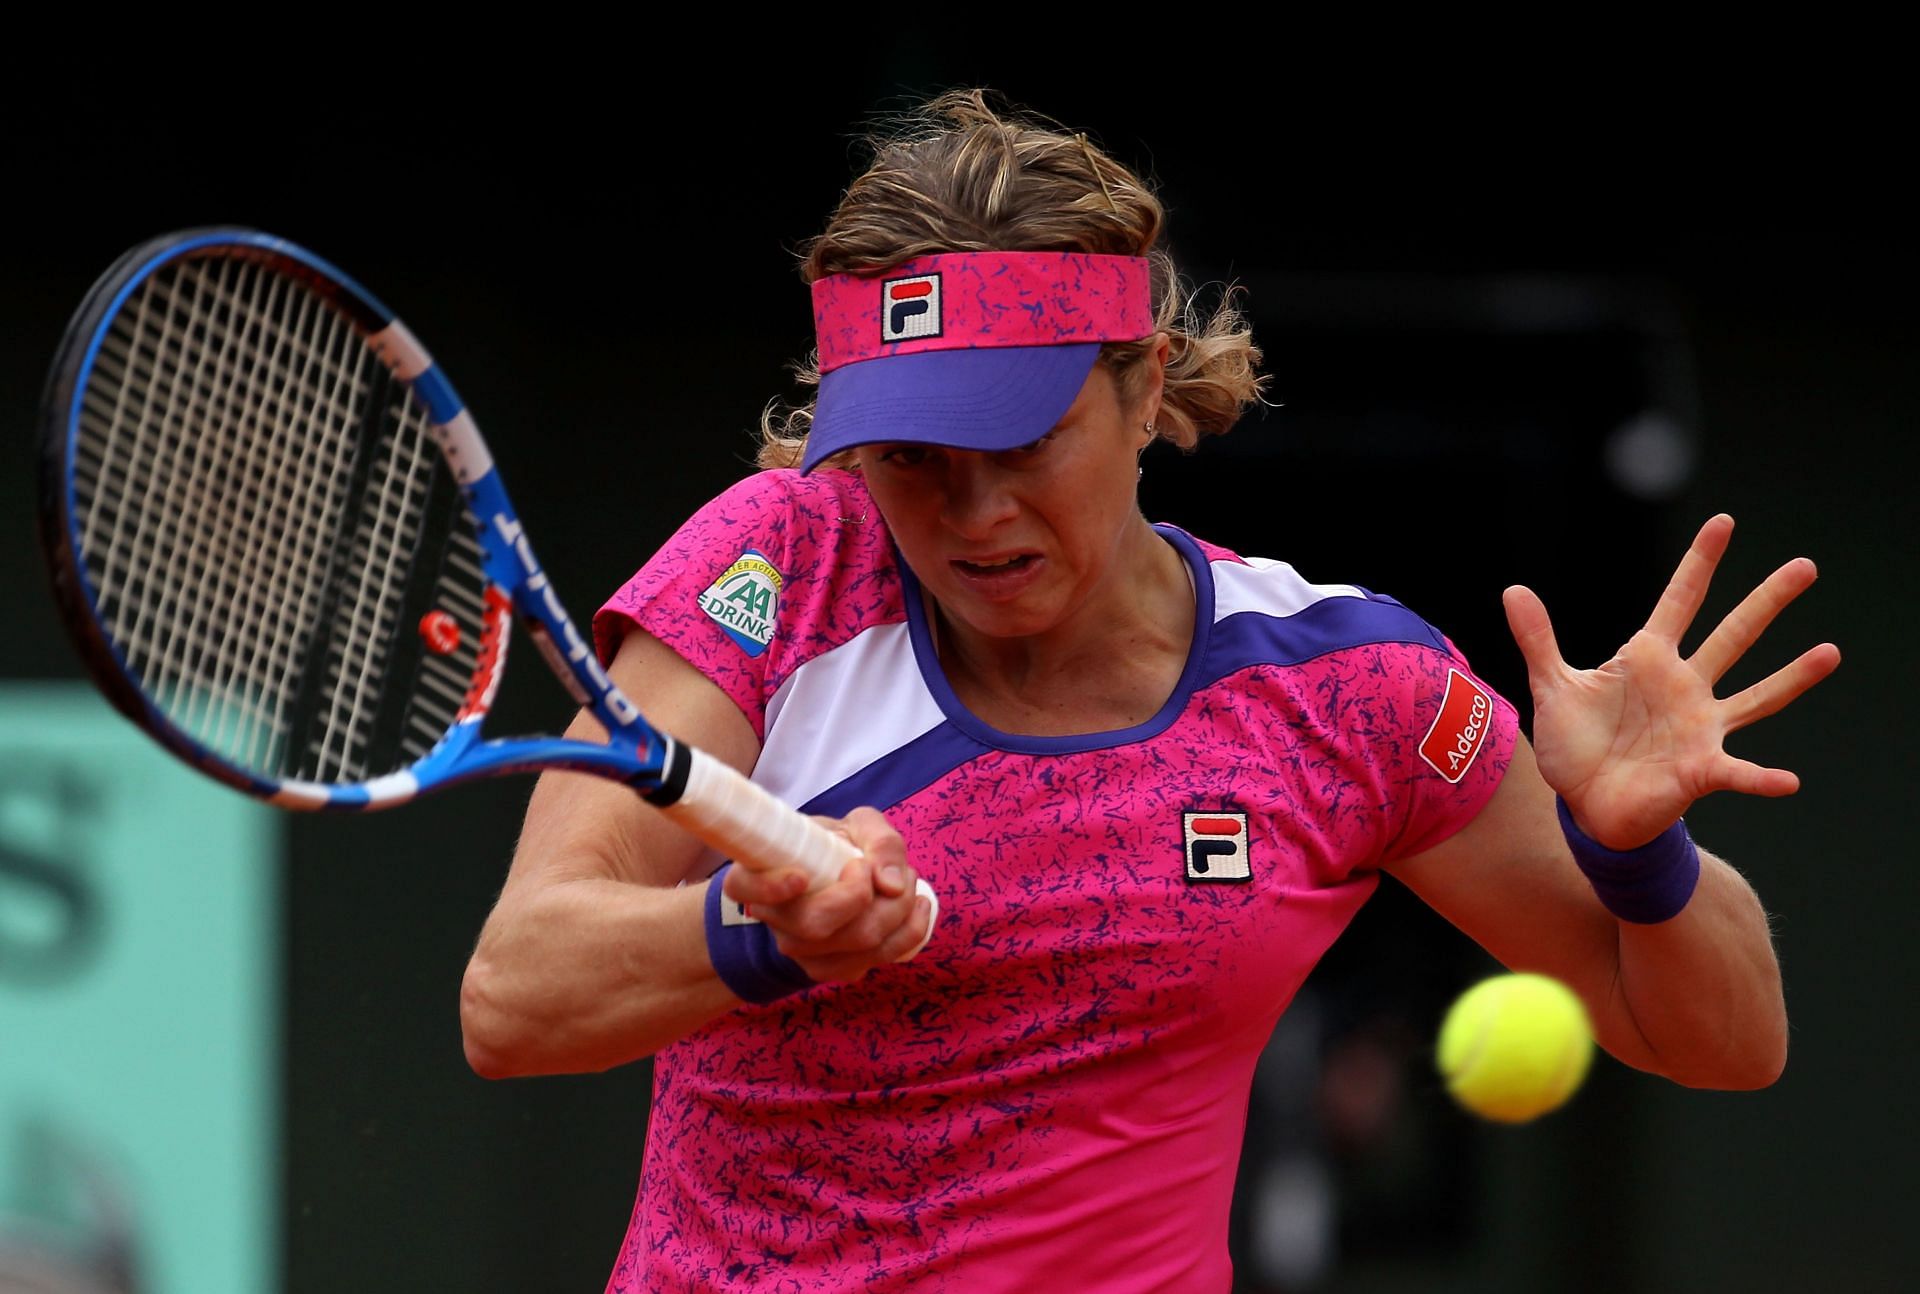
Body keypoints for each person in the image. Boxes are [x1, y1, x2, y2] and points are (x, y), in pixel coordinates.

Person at [457, 90, 1839, 1292]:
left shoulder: (1343, 691)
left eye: (1024, 439)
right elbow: (515, 995)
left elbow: (1721, 1038)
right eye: (913, 455)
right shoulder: (783, 563)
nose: (973, 509)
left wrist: (1638, 849)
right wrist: (759, 937)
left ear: (1146, 386)